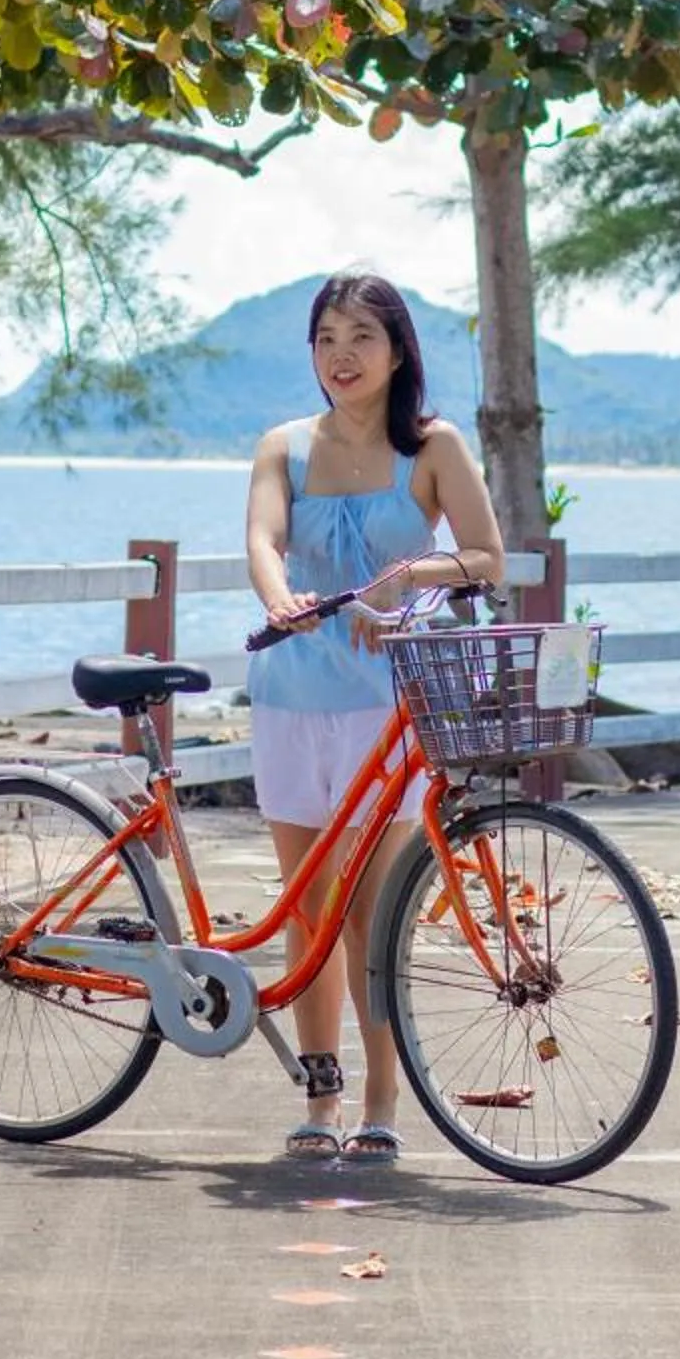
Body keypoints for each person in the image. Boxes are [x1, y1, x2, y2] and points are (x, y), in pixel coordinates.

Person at [244, 272, 504, 1160]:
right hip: (290, 698)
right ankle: (320, 1100)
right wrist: (281, 600)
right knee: (307, 911)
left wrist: (404, 578)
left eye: (361, 336)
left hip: (387, 705)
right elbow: (263, 540)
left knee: (373, 914)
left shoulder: (432, 447)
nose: (341, 355)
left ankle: (382, 1100)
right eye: (325, 338)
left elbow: (486, 557)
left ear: (397, 351)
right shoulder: (283, 446)